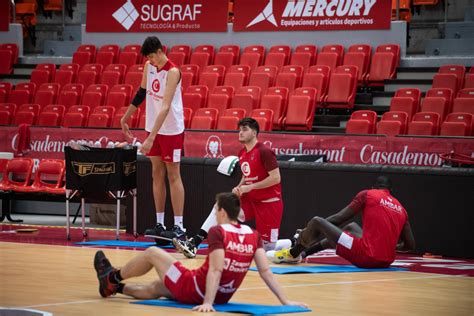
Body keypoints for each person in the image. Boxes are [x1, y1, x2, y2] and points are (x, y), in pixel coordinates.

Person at [93, 192, 307, 312]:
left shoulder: (217, 231)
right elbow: (266, 272)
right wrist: (286, 302)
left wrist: (207, 303)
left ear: (221, 211)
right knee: (158, 287)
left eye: (215, 209)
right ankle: (114, 288)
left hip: (193, 287)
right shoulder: (253, 234)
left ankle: (112, 275)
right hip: (223, 295)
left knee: (152, 252)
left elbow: (215, 270)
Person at [173, 118, 283, 258]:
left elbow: (276, 178)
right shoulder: (242, 153)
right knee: (221, 205)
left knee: (267, 252)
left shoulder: (264, 151)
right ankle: (195, 243)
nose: (240, 133)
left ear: (254, 133)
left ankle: (291, 243)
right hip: (251, 200)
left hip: (269, 203)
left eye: (245, 129)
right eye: (240, 129)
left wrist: (251, 187)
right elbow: (246, 174)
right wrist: (239, 186)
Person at [269, 176, 415, 268]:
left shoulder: (368, 194)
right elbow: (410, 245)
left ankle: (293, 254)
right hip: (387, 260)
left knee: (317, 221)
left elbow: (338, 219)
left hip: (367, 257)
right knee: (351, 228)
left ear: (373, 187)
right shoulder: (401, 209)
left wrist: (308, 231)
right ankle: (306, 253)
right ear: (391, 190)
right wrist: (386, 246)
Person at [120, 36, 185, 239]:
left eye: (152, 57)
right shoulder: (149, 66)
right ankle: (159, 223)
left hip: (171, 129)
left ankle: (179, 226)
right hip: (153, 128)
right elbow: (141, 92)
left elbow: (165, 107)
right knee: (156, 173)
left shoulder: (173, 72)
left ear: (159, 51)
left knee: (173, 175)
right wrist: (125, 117)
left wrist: (150, 138)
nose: (151, 61)